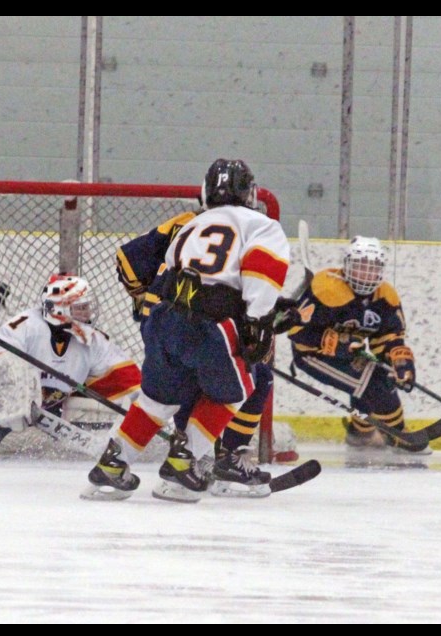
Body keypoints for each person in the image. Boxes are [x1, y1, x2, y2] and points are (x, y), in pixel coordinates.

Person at [83, 158, 291, 502]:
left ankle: (113, 463)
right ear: (250, 193)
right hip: (211, 324)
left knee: (157, 399)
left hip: (163, 320)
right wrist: (258, 322)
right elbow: (261, 273)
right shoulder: (261, 224)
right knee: (239, 389)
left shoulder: (193, 223)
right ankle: (185, 461)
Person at [0, 273, 142, 448]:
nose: (88, 313)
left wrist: (149, 415)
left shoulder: (93, 341)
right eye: (80, 308)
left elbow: (132, 384)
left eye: (87, 307)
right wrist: (13, 395)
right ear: (58, 310)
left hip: (50, 410)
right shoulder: (26, 327)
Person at [281, 236, 420, 451]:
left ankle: (360, 434)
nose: (366, 274)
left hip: (346, 353)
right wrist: (337, 343)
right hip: (312, 354)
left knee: (376, 379)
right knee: (374, 384)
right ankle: (398, 436)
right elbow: (297, 331)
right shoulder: (325, 288)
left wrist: (401, 362)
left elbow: (388, 338)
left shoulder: (386, 296)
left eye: (372, 268)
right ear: (347, 266)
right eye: (359, 267)